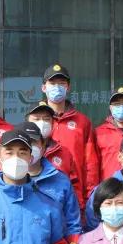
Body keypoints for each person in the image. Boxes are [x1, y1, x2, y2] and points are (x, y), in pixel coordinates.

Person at [10, 122, 82, 244]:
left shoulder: (61, 181)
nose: (29, 147)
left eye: (33, 142)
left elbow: (73, 224)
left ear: (43, 147)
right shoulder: (0, 182)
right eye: (24, 144)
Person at [42, 64, 98, 197]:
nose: (57, 87)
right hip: (42, 193)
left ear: (68, 87)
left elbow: (90, 163)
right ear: (43, 88)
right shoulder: (36, 120)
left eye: (61, 83)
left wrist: (90, 195)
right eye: (52, 83)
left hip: (75, 193)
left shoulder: (82, 122)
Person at [24, 105, 82, 205]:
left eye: (46, 119)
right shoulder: (20, 151)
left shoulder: (64, 152)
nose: (42, 123)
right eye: (36, 119)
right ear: (27, 122)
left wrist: (79, 208)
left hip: (57, 208)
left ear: (52, 123)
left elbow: (74, 185)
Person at [94, 86, 123, 180]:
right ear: (110, 108)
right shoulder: (99, 133)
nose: (121, 107)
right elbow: (93, 165)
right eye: (117, 104)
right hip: (109, 186)